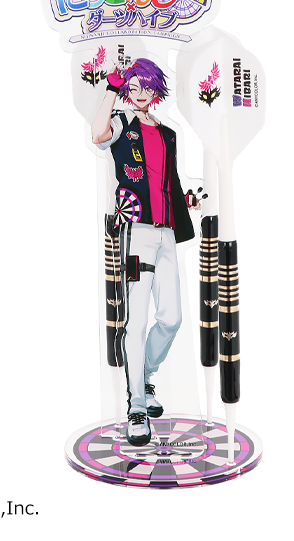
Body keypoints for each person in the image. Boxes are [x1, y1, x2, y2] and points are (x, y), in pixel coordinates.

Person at [91, 58, 199, 446]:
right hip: (136, 232)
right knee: (135, 320)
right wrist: (111, 86)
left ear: (156, 91)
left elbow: (168, 181)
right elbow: (98, 133)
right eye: (133, 86)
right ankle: (136, 404)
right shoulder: (122, 122)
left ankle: (146, 375)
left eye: (146, 87)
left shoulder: (167, 133)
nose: (140, 93)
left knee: (171, 317)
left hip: (166, 233)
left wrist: (187, 201)